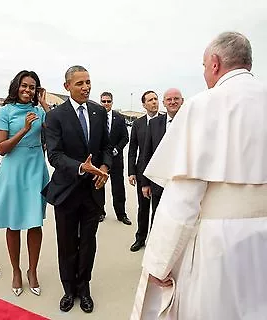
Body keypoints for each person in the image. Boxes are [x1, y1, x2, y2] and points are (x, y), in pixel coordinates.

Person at [131, 31, 267, 320]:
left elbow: (182, 200)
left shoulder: (204, 104)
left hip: (220, 245)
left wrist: (158, 264)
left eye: (204, 66)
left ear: (215, 63)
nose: (205, 72)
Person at [43, 65, 112, 313]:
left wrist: (104, 167)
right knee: (67, 242)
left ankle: (84, 288)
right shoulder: (55, 116)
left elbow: (106, 146)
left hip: (93, 191)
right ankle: (68, 289)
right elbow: (55, 155)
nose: (86, 87)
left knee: (88, 243)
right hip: (67, 191)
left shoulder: (98, 112)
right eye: (80, 83)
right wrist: (82, 168)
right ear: (67, 87)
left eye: (88, 82)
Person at [0, 70, 50, 296]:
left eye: (32, 87)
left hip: (36, 167)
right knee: (14, 223)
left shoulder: (39, 111)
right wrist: (25, 130)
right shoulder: (5, 112)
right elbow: (2, 148)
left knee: (35, 222)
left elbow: (56, 130)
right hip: (13, 169)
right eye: (24, 85)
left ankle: (32, 271)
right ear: (16, 86)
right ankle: (16, 271)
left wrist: (45, 105)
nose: (28, 90)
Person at [141, 89, 184, 220]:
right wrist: (145, 183)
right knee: (157, 218)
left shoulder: (191, 123)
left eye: (176, 99)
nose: (173, 102)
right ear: (164, 103)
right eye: (169, 100)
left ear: (182, 101)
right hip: (158, 183)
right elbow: (147, 154)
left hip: (182, 184)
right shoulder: (154, 124)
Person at [127, 91, 160, 252]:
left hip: (160, 173)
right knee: (143, 207)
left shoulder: (165, 121)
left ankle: (155, 240)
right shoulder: (138, 124)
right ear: (144, 104)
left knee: (158, 209)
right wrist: (131, 171)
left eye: (156, 99)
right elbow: (132, 149)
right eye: (150, 100)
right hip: (142, 172)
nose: (154, 102)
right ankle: (140, 238)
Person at [99, 92, 131, 225]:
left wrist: (117, 149)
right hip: (100, 159)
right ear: (100, 102)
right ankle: (100, 212)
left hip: (116, 159)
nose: (106, 104)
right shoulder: (96, 117)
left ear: (112, 102)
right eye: (104, 101)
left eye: (108, 101)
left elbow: (125, 137)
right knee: (99, 186)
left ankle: (121, 214)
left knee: (118, 187)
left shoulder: (119, 118)